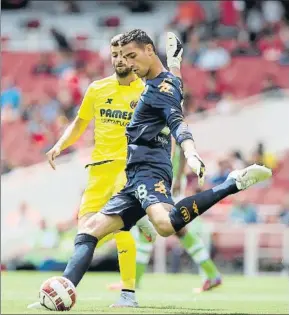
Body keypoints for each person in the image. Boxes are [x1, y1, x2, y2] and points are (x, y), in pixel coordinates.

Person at [30, 30, 272, 310]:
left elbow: (178, 121)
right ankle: (63, 290)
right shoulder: (162, 83)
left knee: (166, 225)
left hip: (148, 169)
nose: (128, 62)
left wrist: (191, 151)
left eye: (132, 56)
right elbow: (175, 89)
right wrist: (177, 64)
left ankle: (231, 184)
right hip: (133, 174)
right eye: (121, 56)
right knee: (89, 231)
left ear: (148, 51)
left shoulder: (158, 89)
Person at [28, 33, 159, 309]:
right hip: (99, 171)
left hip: (128, 168)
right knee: (86, 234)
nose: (119, 59)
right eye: (114, 55)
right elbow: (79, 123)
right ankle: (60, 293)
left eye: (124, 54)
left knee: (120, 227)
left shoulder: (146, 90)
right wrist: (59, 145)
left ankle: (128, 294)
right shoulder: (98, 89)